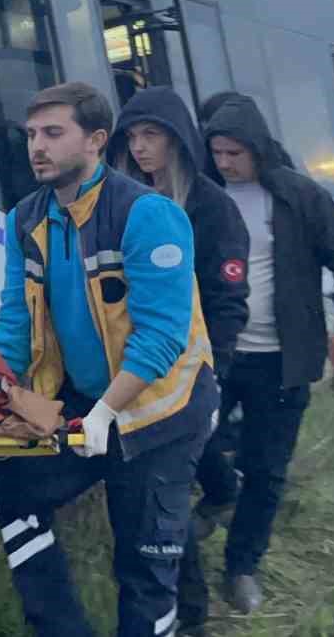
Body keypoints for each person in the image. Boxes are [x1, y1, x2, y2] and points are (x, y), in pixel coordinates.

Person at [0, 81, 218, 637]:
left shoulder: (148, 214)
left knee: (143, 569)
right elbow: (14, 327)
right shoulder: (25, 220)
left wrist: (104, 413)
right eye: (30, 135)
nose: (36, 147)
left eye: (53, 133)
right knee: (11, 489)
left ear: (95, 140)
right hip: (88, 401)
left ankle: (180, 614)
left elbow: (161, 338)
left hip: (162, 413)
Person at [196, 95, 334, 616]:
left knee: (267, 469)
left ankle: (242, 566)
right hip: (217, 353)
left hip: (282, 358)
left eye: (234, 153)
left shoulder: (298, 195)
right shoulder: (201, 196)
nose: (225, 162)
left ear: (257, 148)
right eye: (217, 152)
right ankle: (221, 493)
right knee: (194, 440)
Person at [108, 86, 251, 633]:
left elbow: (227, 302)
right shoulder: (124, 204)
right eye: (132, 137)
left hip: (192, 379)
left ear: (179, 139)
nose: (140, 147)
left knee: (164, 498)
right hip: (137, 376)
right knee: (159, 501)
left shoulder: (214, 209)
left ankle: (189, 612)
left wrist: (213, 374)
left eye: (152, 135)